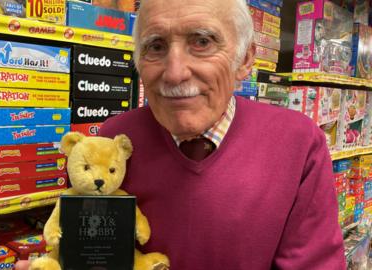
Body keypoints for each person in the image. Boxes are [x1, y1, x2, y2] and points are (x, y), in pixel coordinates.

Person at [17, 0, 346, 269]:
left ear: (245, 59)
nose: (174, 73)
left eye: (202, 42)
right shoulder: (114, 141)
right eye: (155, 46)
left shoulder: (298, 143)